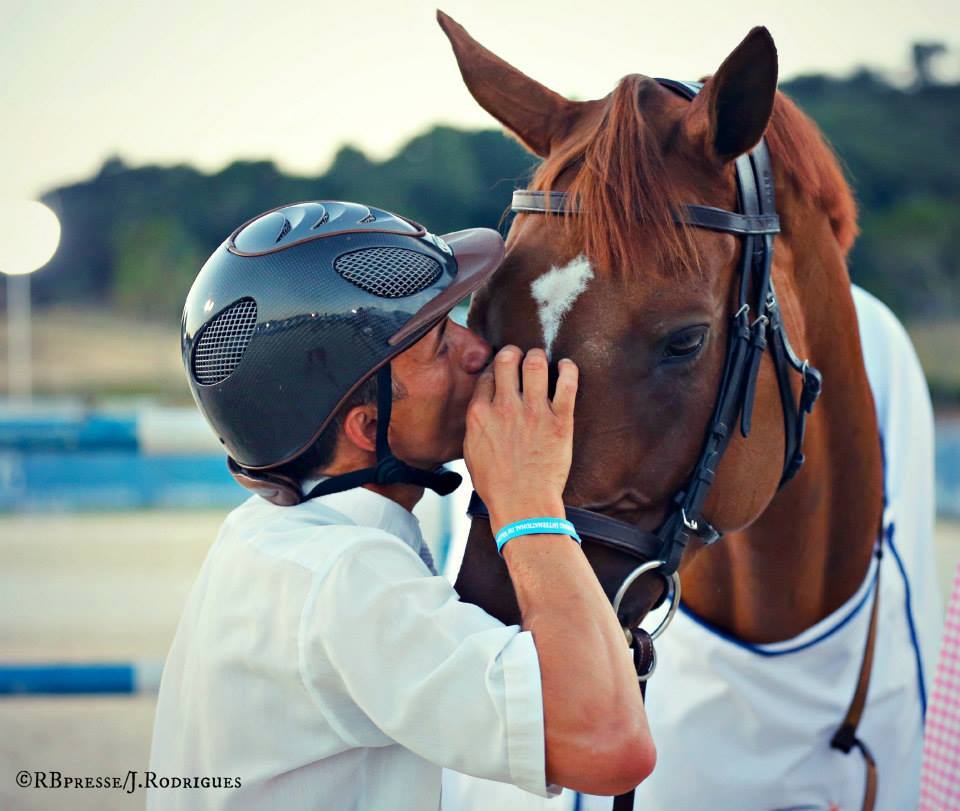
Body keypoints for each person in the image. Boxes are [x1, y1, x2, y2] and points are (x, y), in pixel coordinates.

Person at [147, 200, 655, 811]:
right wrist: (529, 501)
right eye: (439, 344)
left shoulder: (266, 537)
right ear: (366, 426)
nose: (478, 349)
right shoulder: (349, 577)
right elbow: (609, 748)